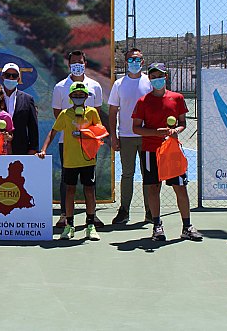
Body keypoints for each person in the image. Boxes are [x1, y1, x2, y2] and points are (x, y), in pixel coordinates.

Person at [131, 63, 202, 242]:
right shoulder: (142, 102)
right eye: (153, 76)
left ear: (166, 77)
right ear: (150, 79)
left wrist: (175, 131)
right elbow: (136, 128)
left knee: (180, 188)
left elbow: (182, 123)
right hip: (150, 151)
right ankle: (157, 226)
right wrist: (157, 132)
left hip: (172, 152)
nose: (157, 79)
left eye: (160, 76)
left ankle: (187, 227)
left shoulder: (177, 98)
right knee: (153, 188)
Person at [38, 83, 102, 241]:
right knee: (70, 191)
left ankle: (90, 225)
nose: (78, 97)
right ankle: (69, 225)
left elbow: (100, 132)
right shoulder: (65, 114)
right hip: (70, 161)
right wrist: (44, 149)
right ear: (70, 97)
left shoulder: (92, 112)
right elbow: (53, 131)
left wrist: (86, 133)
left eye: (81, 95)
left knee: (89, 191)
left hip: (88, 159)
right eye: (75, 95)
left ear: (87, 97)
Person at [51, 50, 104, 228]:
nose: (77, 65)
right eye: (74, 62)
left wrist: (88, 134)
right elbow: (57, 114)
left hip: (90, 144)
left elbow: (97, 115)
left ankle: (92, 216)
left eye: (80, 62)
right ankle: (64, 215)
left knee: (90, 182)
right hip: (66, 143)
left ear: (85, 64)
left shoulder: (95, 86)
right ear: (69, 65)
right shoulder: (59, 87)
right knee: (67, 181)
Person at [108, 48, 153, 225]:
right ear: (126, 62)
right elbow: (112, 112)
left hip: (147, 137)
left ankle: (150, 211)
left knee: (148, 175)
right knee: (127, 174)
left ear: (142, 62)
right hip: (126, 136)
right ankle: (124, 211)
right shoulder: (119, 84)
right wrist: (114, 136)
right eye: (131, 60)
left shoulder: (150, 82)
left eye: (138, 59)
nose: (134, 62)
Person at [0, 63, 39, 155]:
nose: (10, 78)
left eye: (14, 76)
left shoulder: (27, 99)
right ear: (2, 77)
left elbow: (33, 126)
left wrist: (33, 148)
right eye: (7, 75)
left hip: (21, 148)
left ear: (18, 78)